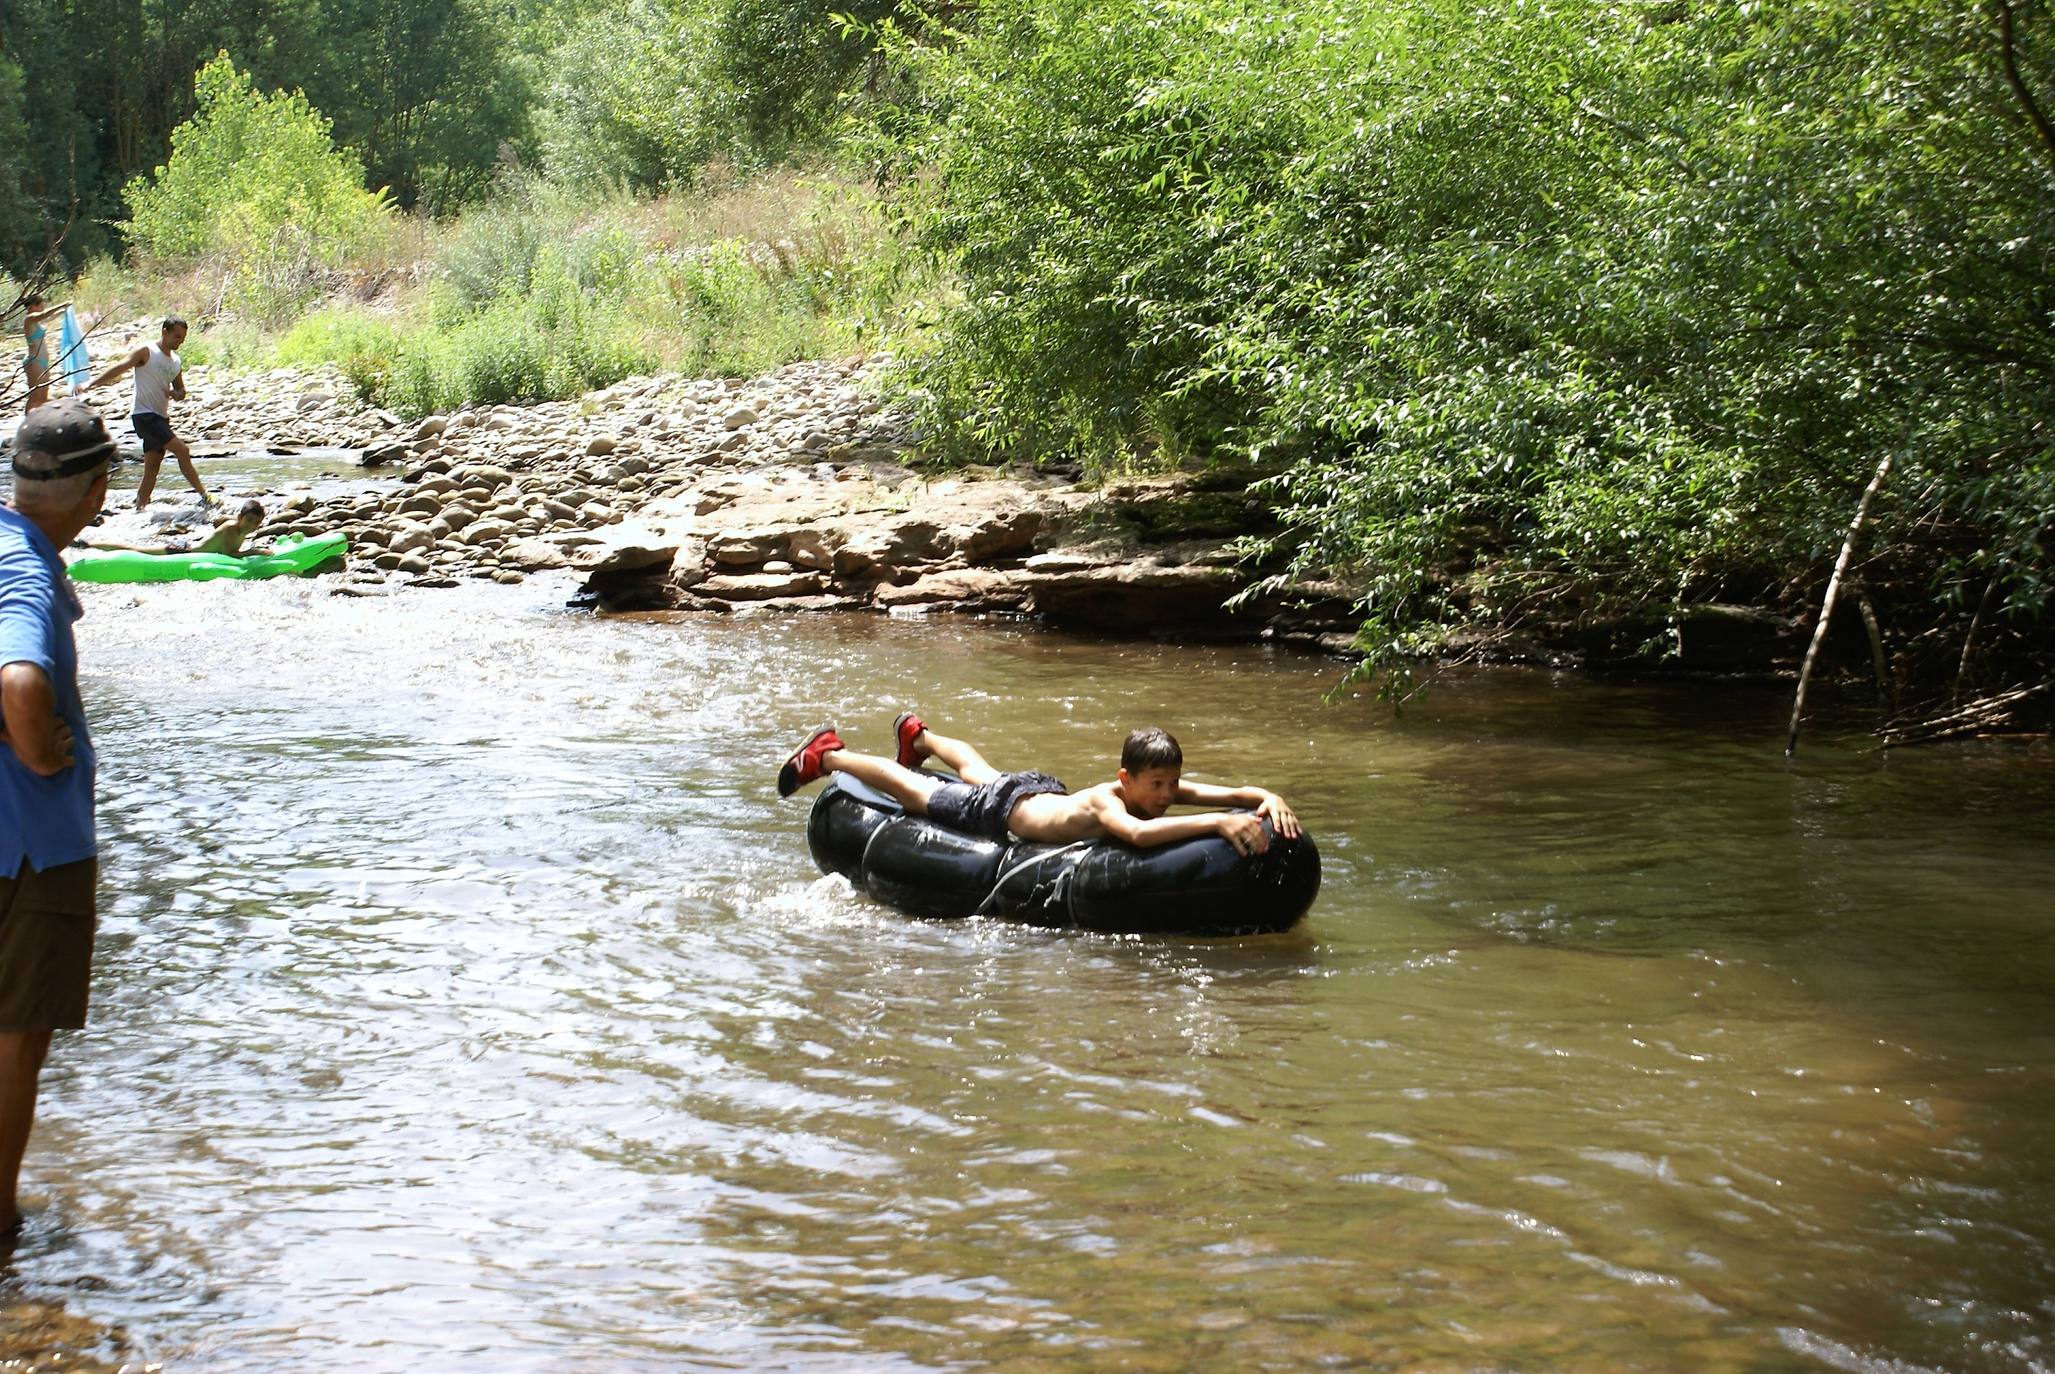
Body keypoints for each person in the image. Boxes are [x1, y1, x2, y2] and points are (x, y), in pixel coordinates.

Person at [0, 399, 114, 1234]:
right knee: (14, 1039)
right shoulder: (31, 573)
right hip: (32, 848)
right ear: (96, 491)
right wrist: (39, 751)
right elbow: (21, 683)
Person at [778, 714, 1299, 856]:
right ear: (1127, 779)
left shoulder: (1155, 791)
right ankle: (829, 756)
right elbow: (1138, 837)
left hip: (1033, 791)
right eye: (1158, 785)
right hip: (1001, 814)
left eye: (1172, 785)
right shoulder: (1107, 801)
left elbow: (1229, 794)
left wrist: (1265, 797)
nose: (1167, 796)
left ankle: (921, 735)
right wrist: (1216, 825)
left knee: (980, 769)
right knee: (915, 791)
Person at [76, 317, 210, 511]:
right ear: (164, 331)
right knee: (183, 451)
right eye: (177, 336)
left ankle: (139, 508)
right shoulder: (147, 351)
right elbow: (121, 367)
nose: (180, 341)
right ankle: (204, 495)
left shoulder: (175, 361)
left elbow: (181, 391)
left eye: (183, 338)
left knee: (152, 468)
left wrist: (175, 393)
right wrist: (91, 384)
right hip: (144, 416)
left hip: (161, 417)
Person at [81, 499, 264, 556]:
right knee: (135, 549)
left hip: (187, 546)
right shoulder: (231, 527)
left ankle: (90, 545)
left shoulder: (241, 531)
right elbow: (229, 554)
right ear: (240, 517)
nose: (251, 525)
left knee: (137, 549)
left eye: (256, 523)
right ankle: (88, 544)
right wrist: (255, 551)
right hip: (182, 550)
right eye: (248, 520)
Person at [15, 295, 69, 415]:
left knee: (44, 396)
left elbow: (49, 317)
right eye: (40, 305)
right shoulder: (29, 319)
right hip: (34, 362)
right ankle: (28, 422)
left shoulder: (36, 320)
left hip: (43, 362)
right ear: (32, 306)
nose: (42, 307)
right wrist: (61, 305)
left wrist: (63, 312)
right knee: (35, 396)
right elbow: (44, 315)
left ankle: (41, 420)